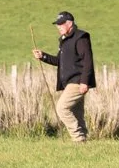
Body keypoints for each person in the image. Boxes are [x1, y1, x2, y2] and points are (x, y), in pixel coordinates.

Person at [32, 10, 95, 143]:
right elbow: (59, 61)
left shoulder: (81, 37)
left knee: (62, 108)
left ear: (70, 23)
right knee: (77, 113)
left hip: (78, 81)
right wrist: (43, 56)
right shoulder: (65, 41)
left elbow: (87, 61)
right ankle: (83, 142)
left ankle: (77, 137)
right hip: (70, 83)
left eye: (61, 24)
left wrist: (84, 82)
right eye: (57, 24)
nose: (58, 27)